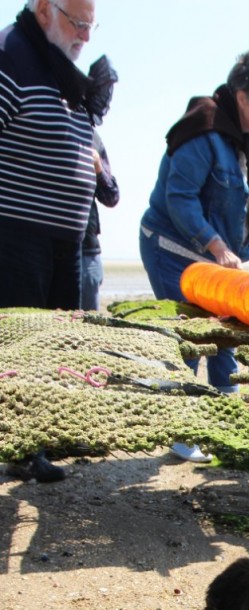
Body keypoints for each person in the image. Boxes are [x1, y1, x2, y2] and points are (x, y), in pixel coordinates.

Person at [140, 51, 249, 463]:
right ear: (242, 97)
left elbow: (240, 210)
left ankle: (229, 430)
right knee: (193, 337)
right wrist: (219, 247)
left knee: (226, 337)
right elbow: (179, 199)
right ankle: (181, 433)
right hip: (172, 248)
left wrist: (241, 254)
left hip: (213, 260)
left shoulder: (242, 143)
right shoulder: (203, 131)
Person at [0, 0, 102, 482]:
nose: (84, 35)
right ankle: (18, 447)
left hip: (67, 239)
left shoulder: (62, 72)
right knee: (18, 347)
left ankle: (35, 442)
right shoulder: (12, 53)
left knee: (52, 349)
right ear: (44, 9)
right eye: (76, 22)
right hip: (17, 232)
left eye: (90, 26)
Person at [81, 55, 119, 311]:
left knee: (88, 332)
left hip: (88, 250)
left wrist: (98, 170)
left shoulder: (94, 138)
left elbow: (112, 196)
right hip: (48, 249)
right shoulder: (57, 119)